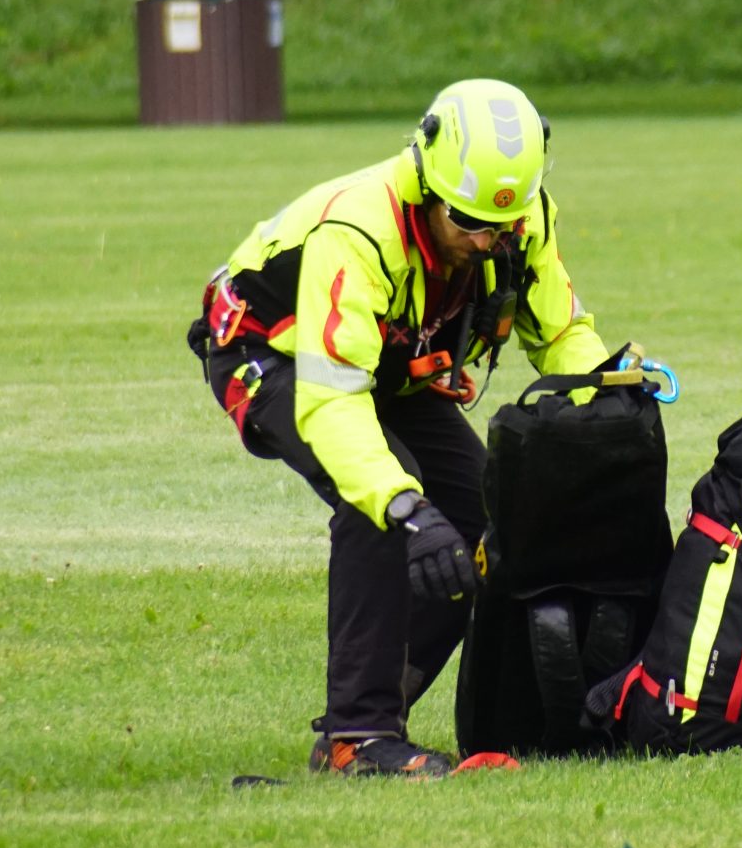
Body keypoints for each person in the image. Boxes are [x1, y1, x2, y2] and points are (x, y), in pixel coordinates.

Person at [191, 79, 611, 776]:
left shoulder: (517, 219)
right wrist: (404, 504)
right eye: (467, 222)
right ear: (425, 186)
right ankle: (359, 737)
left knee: (484, 524)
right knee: (384, 499)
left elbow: (558, 330)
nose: (485, 242)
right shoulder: (356, 231)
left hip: (388, 361)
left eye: (498, 228)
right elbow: (331, 403)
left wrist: (605, 398)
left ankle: (377, 708)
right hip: (272, 353)